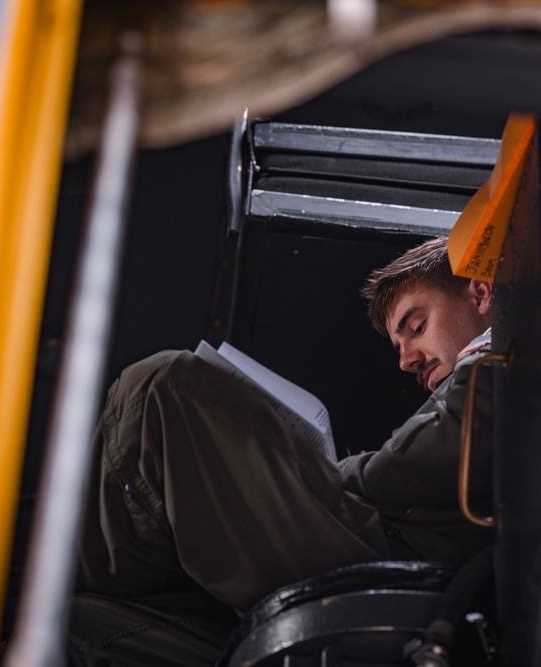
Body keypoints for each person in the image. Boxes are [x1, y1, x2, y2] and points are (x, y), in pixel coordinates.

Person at [67, 237, 495, 665]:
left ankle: (66, 575)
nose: (405, 361)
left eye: (416, 327)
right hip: (389, 571)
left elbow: (404, 471)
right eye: (399, 345)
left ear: (479, 292)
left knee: (165, 385)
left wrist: (307, 473)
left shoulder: (497, 366)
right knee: (84, 624)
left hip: (389, 563)